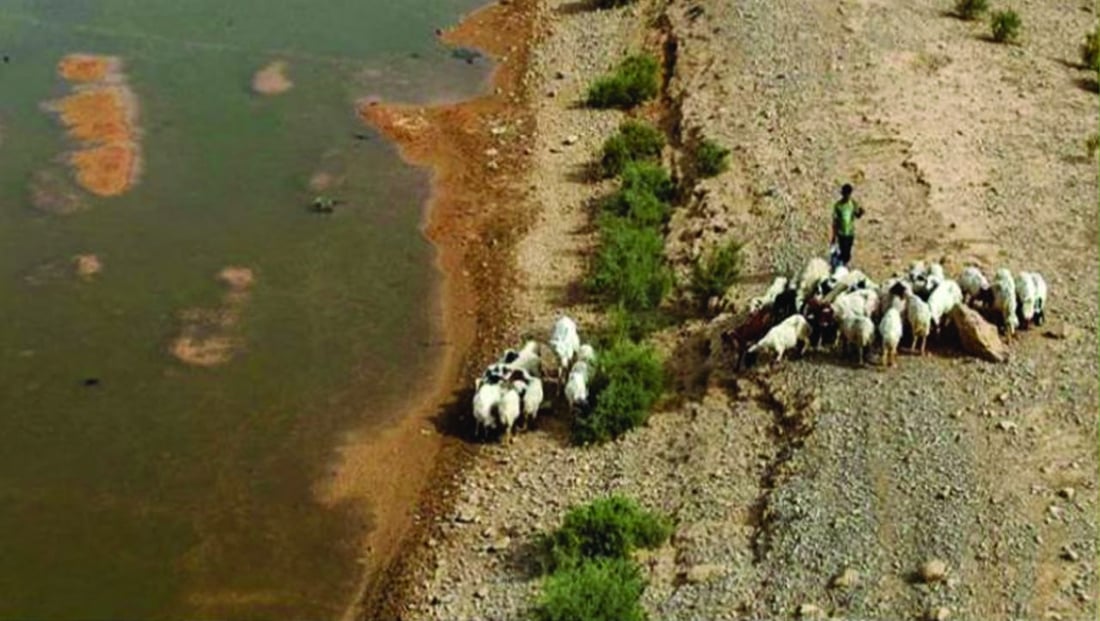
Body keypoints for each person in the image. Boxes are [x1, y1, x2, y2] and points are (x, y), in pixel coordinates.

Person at [830, 183, 864, 267]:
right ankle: (840, 266)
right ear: (843, 194)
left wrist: (861, 213)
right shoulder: (838, 205)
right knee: (843, 251)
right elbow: (835, 221)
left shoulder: (853, 204)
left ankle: (843, 265)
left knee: (847, 252)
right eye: (845, 194)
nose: (847, 196)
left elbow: (857, 215)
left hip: (850, 232)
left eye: (848, 194)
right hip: (841, 233)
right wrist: (834, 236)